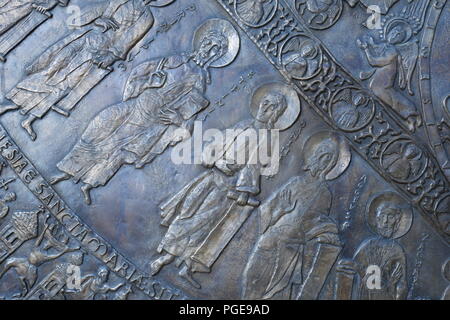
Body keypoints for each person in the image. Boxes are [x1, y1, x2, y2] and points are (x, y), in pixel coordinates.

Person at [49, 19, 240, 205]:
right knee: (99, 125)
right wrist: (149, 82)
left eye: (215, 49)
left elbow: (188, 122)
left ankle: (89, 184)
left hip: (152, 121)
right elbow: (140, 73)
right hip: (136, 104)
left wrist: (178, 118)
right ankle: (67, 170)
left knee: (117, 148)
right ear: (201, 43)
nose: (208, 50)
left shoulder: (199, 83)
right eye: (208, 43)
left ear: (216, 56)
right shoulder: (174, 60)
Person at [151, 83, 300, 289]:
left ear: (277, 113)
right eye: (264, 103)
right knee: (187, 214)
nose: (265, 108)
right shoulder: (243, 125)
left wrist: (243, 191)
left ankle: (175, 263)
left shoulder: (266, 138)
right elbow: (216, 145)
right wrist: (214, 159)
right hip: (211, 178)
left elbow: (253, 167)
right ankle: (165, 256)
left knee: (203, 226)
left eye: (272, 107)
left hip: (227, 189)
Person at [0, 0, 166, 140]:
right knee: (51, 69)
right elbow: (83, 16)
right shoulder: (117, 1)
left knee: (65, 83)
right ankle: (10, 104)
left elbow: (127, 41)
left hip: (98, 53)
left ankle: (29, 119)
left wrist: (111, 56)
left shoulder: (146, 18)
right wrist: (99, 20)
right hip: (83, 37)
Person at [242, 131, 350, 300]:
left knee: (277, 295)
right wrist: (282, 210)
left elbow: (316, 225)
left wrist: (326, 231)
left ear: (331, 165)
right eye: (322, 155)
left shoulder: (325, 194)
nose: (324, 161)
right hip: (269, 241)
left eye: (329, 159)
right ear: (314, 157)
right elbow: (266, 210)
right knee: (252, 282)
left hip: (291, 252)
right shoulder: (295, 183)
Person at [338, 192, 412, 300]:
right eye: (382, 216)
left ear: (397, 221)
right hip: (362, 294)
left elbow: (402, 285)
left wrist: (392, 289)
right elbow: (354, 267)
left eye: (390, 217)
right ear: (377, 219)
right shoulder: (368, 245)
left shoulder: (396, 251)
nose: (385, 221)